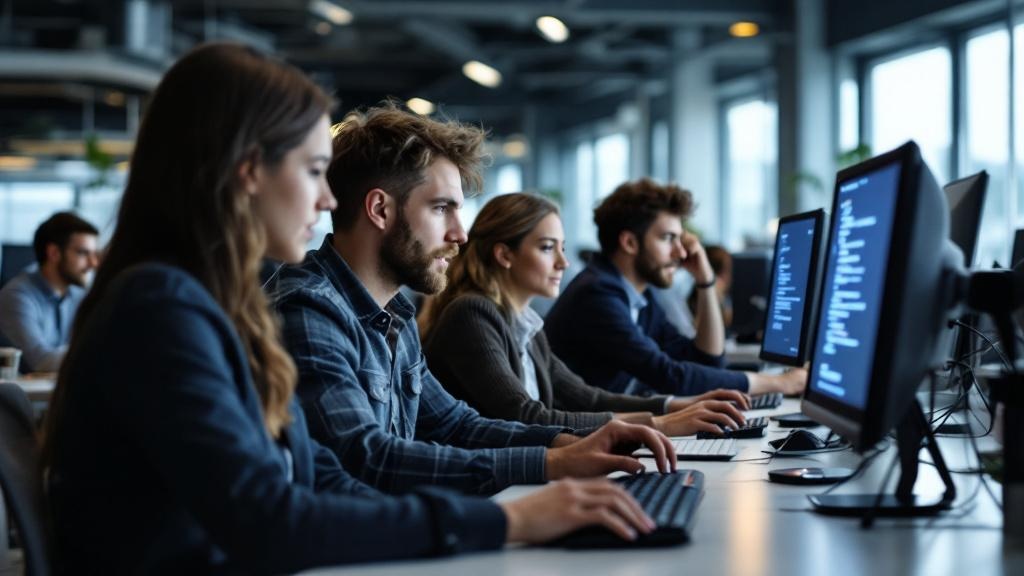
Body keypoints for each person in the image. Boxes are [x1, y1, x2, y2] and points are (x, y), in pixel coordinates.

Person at [41, 44, 664, 574]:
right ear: (248, 172)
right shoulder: (164, 308)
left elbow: (324, 476)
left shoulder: (214, 307)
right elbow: (274, 515)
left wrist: (543, 474)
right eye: (314, 170)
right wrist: (508, 518)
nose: (324, 198)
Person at [267, 104, 675, 498]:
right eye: (442, 209)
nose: (460, 234)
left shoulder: (395, 315)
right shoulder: (308, 309)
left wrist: (569, 441)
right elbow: (369, 458)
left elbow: (455, 425)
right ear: (379, 210)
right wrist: (552, 464)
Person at [420, 192, 749, 433]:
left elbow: (587, 398)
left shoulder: (523, 325)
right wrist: (660, 423)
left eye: (561, 248)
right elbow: (525, 416)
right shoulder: (472, 314)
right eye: (547, 248)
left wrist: (678, 406)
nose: (563, 263)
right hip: (490, 492)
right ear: (505, 254)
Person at [545, 178, 806, 398]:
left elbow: (706, 359)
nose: (681, 252)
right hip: (582, 440)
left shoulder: (639, 295)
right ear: (629, 242)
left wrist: (705, 280)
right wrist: (778, 383)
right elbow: (670, 376)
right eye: (668, 238)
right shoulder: (598, 294)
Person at [0, 211, 98, 372]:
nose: (93, 263)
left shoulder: (78, 294)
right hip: (28, 396)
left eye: (94, 254)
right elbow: (42, 363)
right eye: (83, 253)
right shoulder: (16, 296)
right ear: (54, 253)